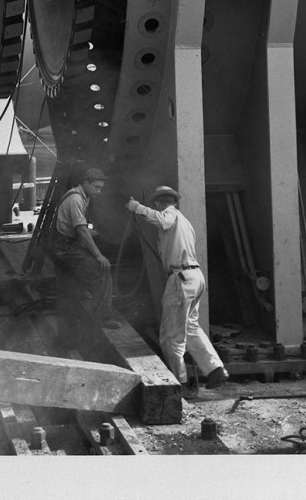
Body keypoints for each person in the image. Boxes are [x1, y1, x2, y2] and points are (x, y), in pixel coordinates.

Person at [127, 185, 229, 391]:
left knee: (169, 336)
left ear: (158, 202)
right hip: (195, 277)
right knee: (190, 328)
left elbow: (161, 219)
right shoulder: (185, 222)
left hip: (180, 278)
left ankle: (179, 383)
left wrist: (136, 207)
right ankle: (216, 370)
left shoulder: (169, 215)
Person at [47, 166, 119, 345]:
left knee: (67, 293)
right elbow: (81, 231)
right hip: (65, 249)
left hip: (59, 247)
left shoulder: (80, 196)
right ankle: (103, 317)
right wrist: (99, 255)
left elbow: (81, 228)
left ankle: (66, 339)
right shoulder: (76, 199)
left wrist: (98, 233)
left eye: (101, 188)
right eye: (96, 187)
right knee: (102, 270)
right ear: (85, 183)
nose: (99, 191)